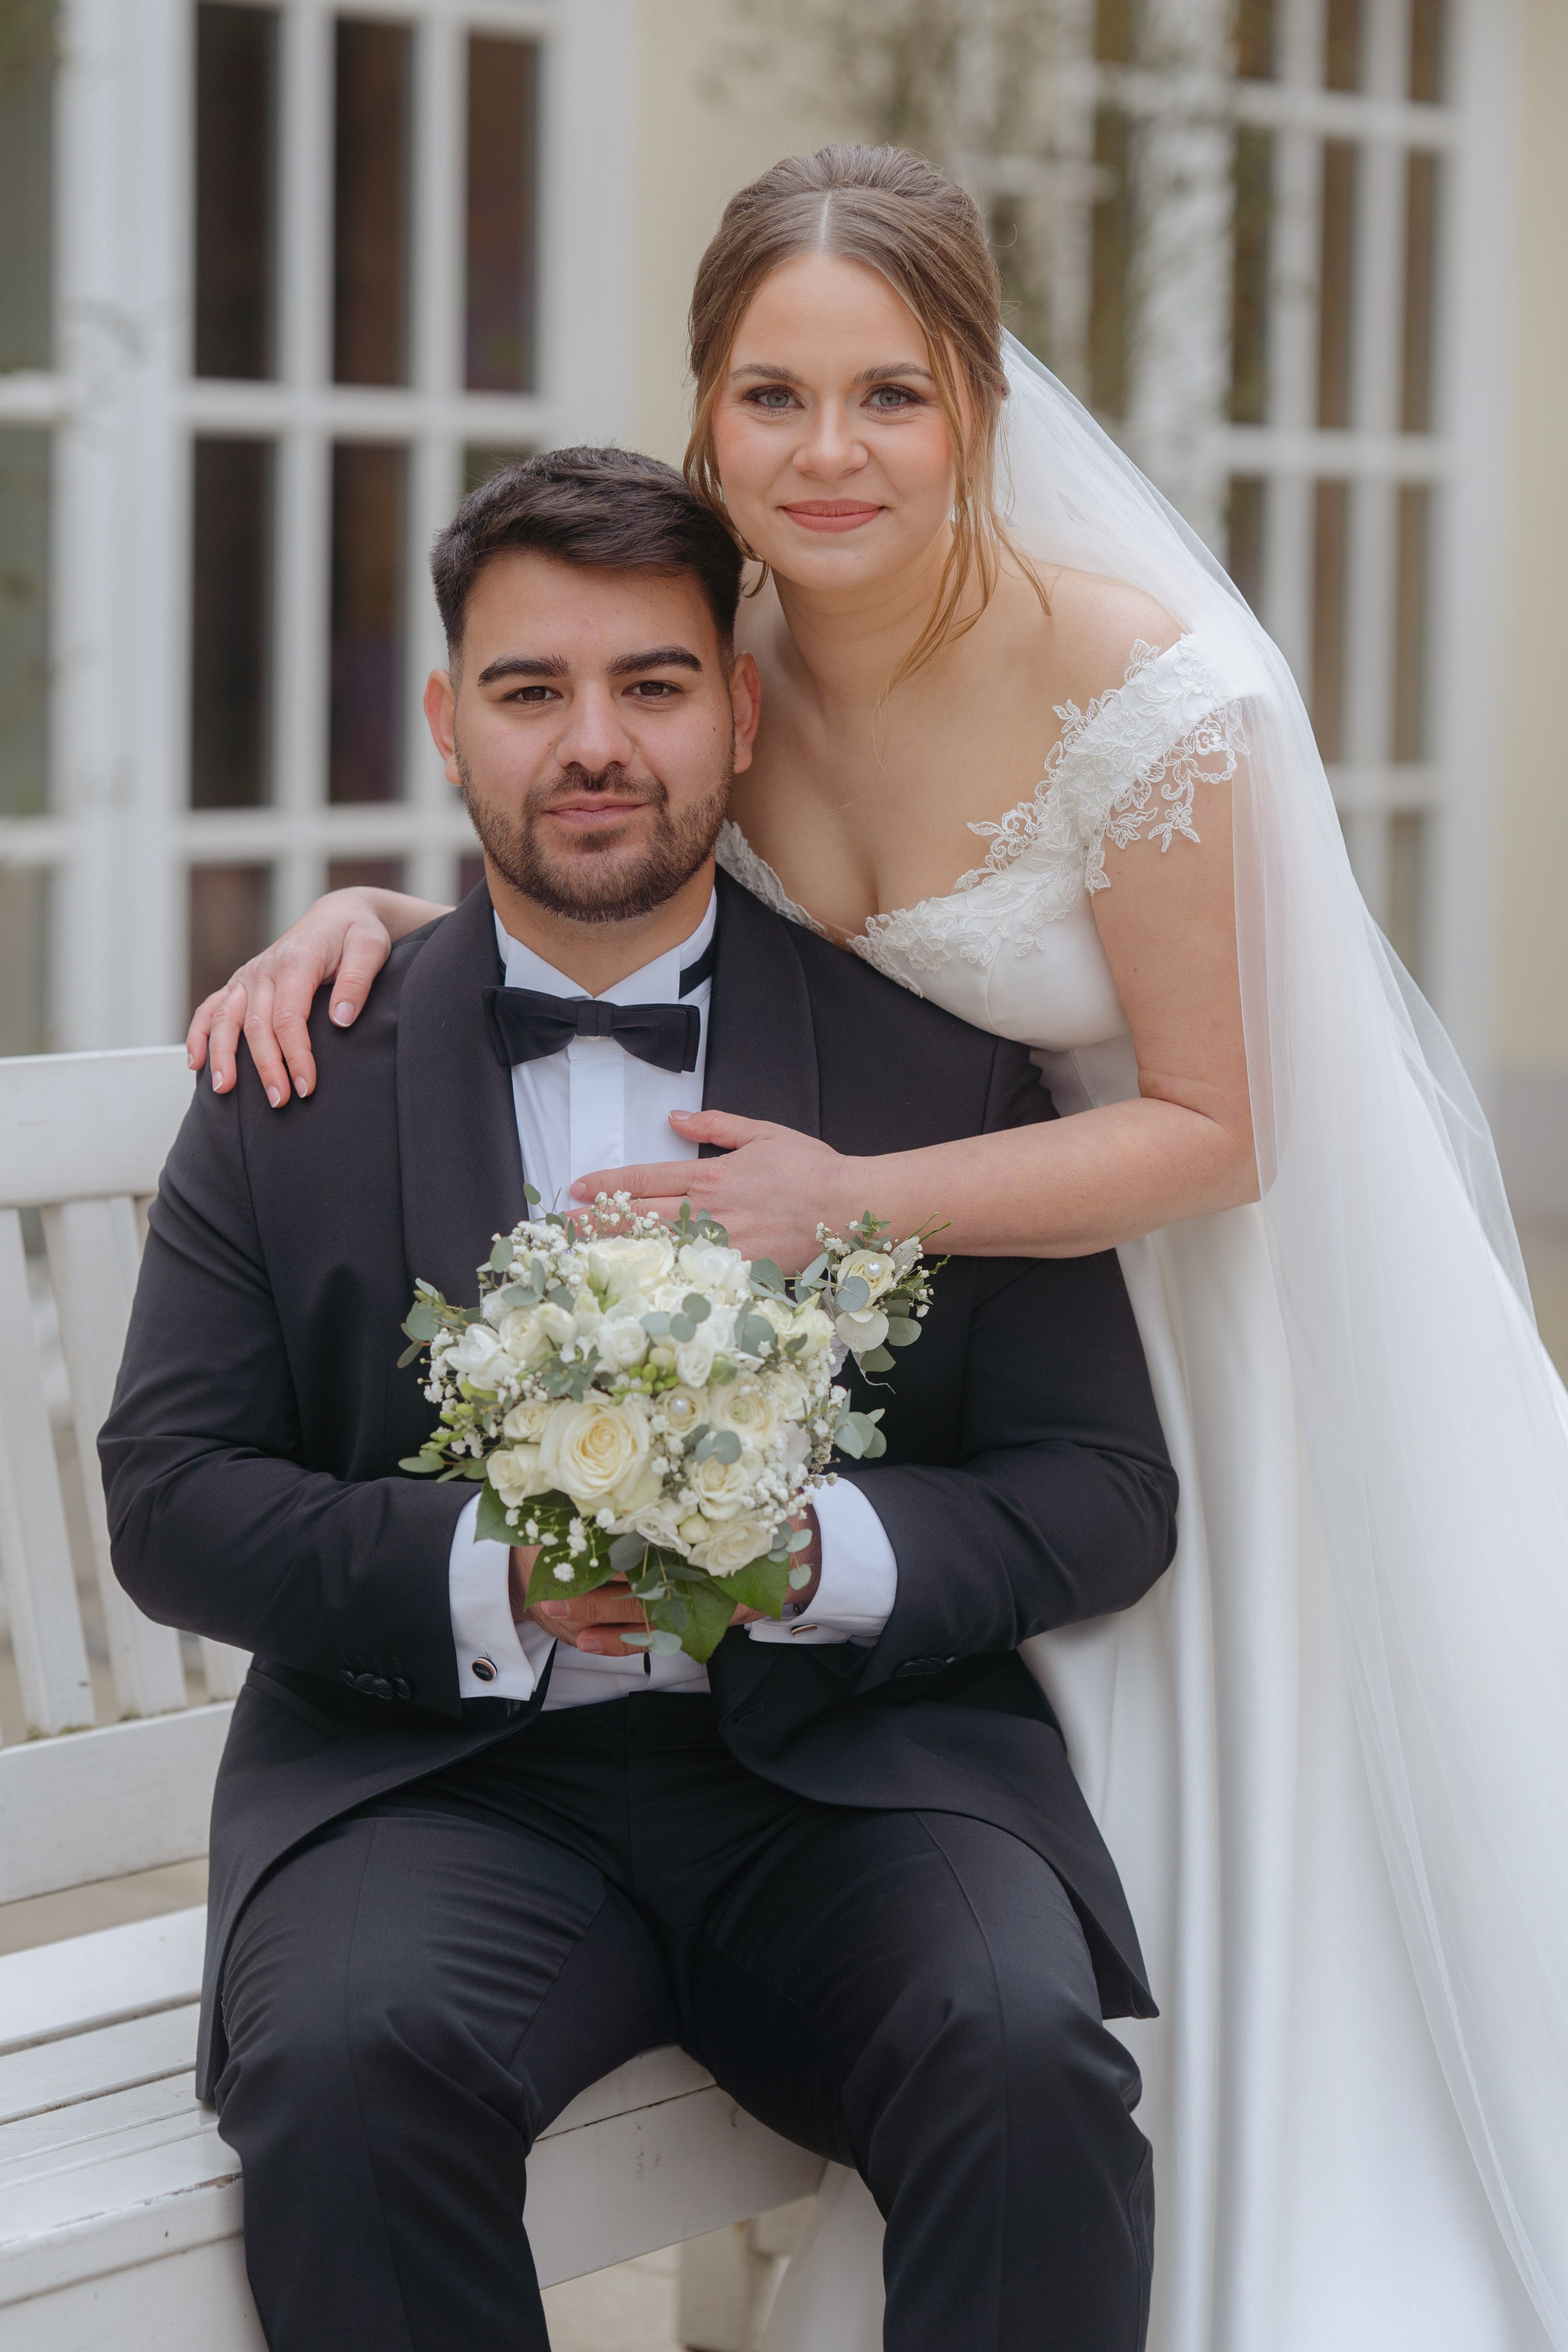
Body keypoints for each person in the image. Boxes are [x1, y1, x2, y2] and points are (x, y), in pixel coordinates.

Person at [186, 149, 1568, 2352]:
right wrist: (375, 934)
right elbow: (578, 790)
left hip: (1179, 1311)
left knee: (1186, 1929)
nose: (829, 453)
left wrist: (849, 1204)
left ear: (981, 409)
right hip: (902, 1336)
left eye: (892, 397)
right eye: (774, 397)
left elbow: (1221, 1128)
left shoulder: (1150, 691)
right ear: (709, 417)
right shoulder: (722, 653)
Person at [103, 447, 1179, 2352]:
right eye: (530, 691)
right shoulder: (293, 1075)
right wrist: (483, 1570)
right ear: (449, 724)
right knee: (346, 2077)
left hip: (849, 1776)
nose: (592, 742)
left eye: (652, 685)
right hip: (433, 1789)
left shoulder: (941, 1069)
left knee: (1028, 2060)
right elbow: (172, 1493)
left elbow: (1100, 1487)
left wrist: (821, 1554)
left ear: (739, 710)